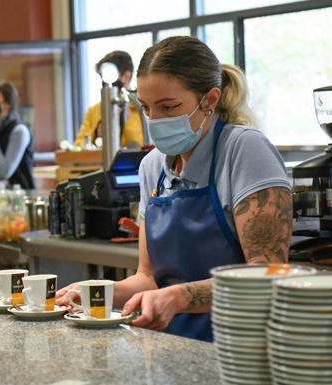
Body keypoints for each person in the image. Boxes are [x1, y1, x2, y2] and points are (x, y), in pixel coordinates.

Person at [56, 36, 292, 342]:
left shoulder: (245, 149)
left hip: (242, 345)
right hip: (172, 346)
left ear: (210, 99)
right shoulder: (152, 166)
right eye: (146, 108)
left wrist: (179, 297)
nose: (155, 120)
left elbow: (268, 274)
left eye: (168, 107)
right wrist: (96, 293)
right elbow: (148, 278)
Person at [74, 50, 146, 149]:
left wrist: (124, 120)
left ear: (126, 76)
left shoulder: (142, 109)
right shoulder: (94, 111)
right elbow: (79, 146)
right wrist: (96, 134)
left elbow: (143, 146)